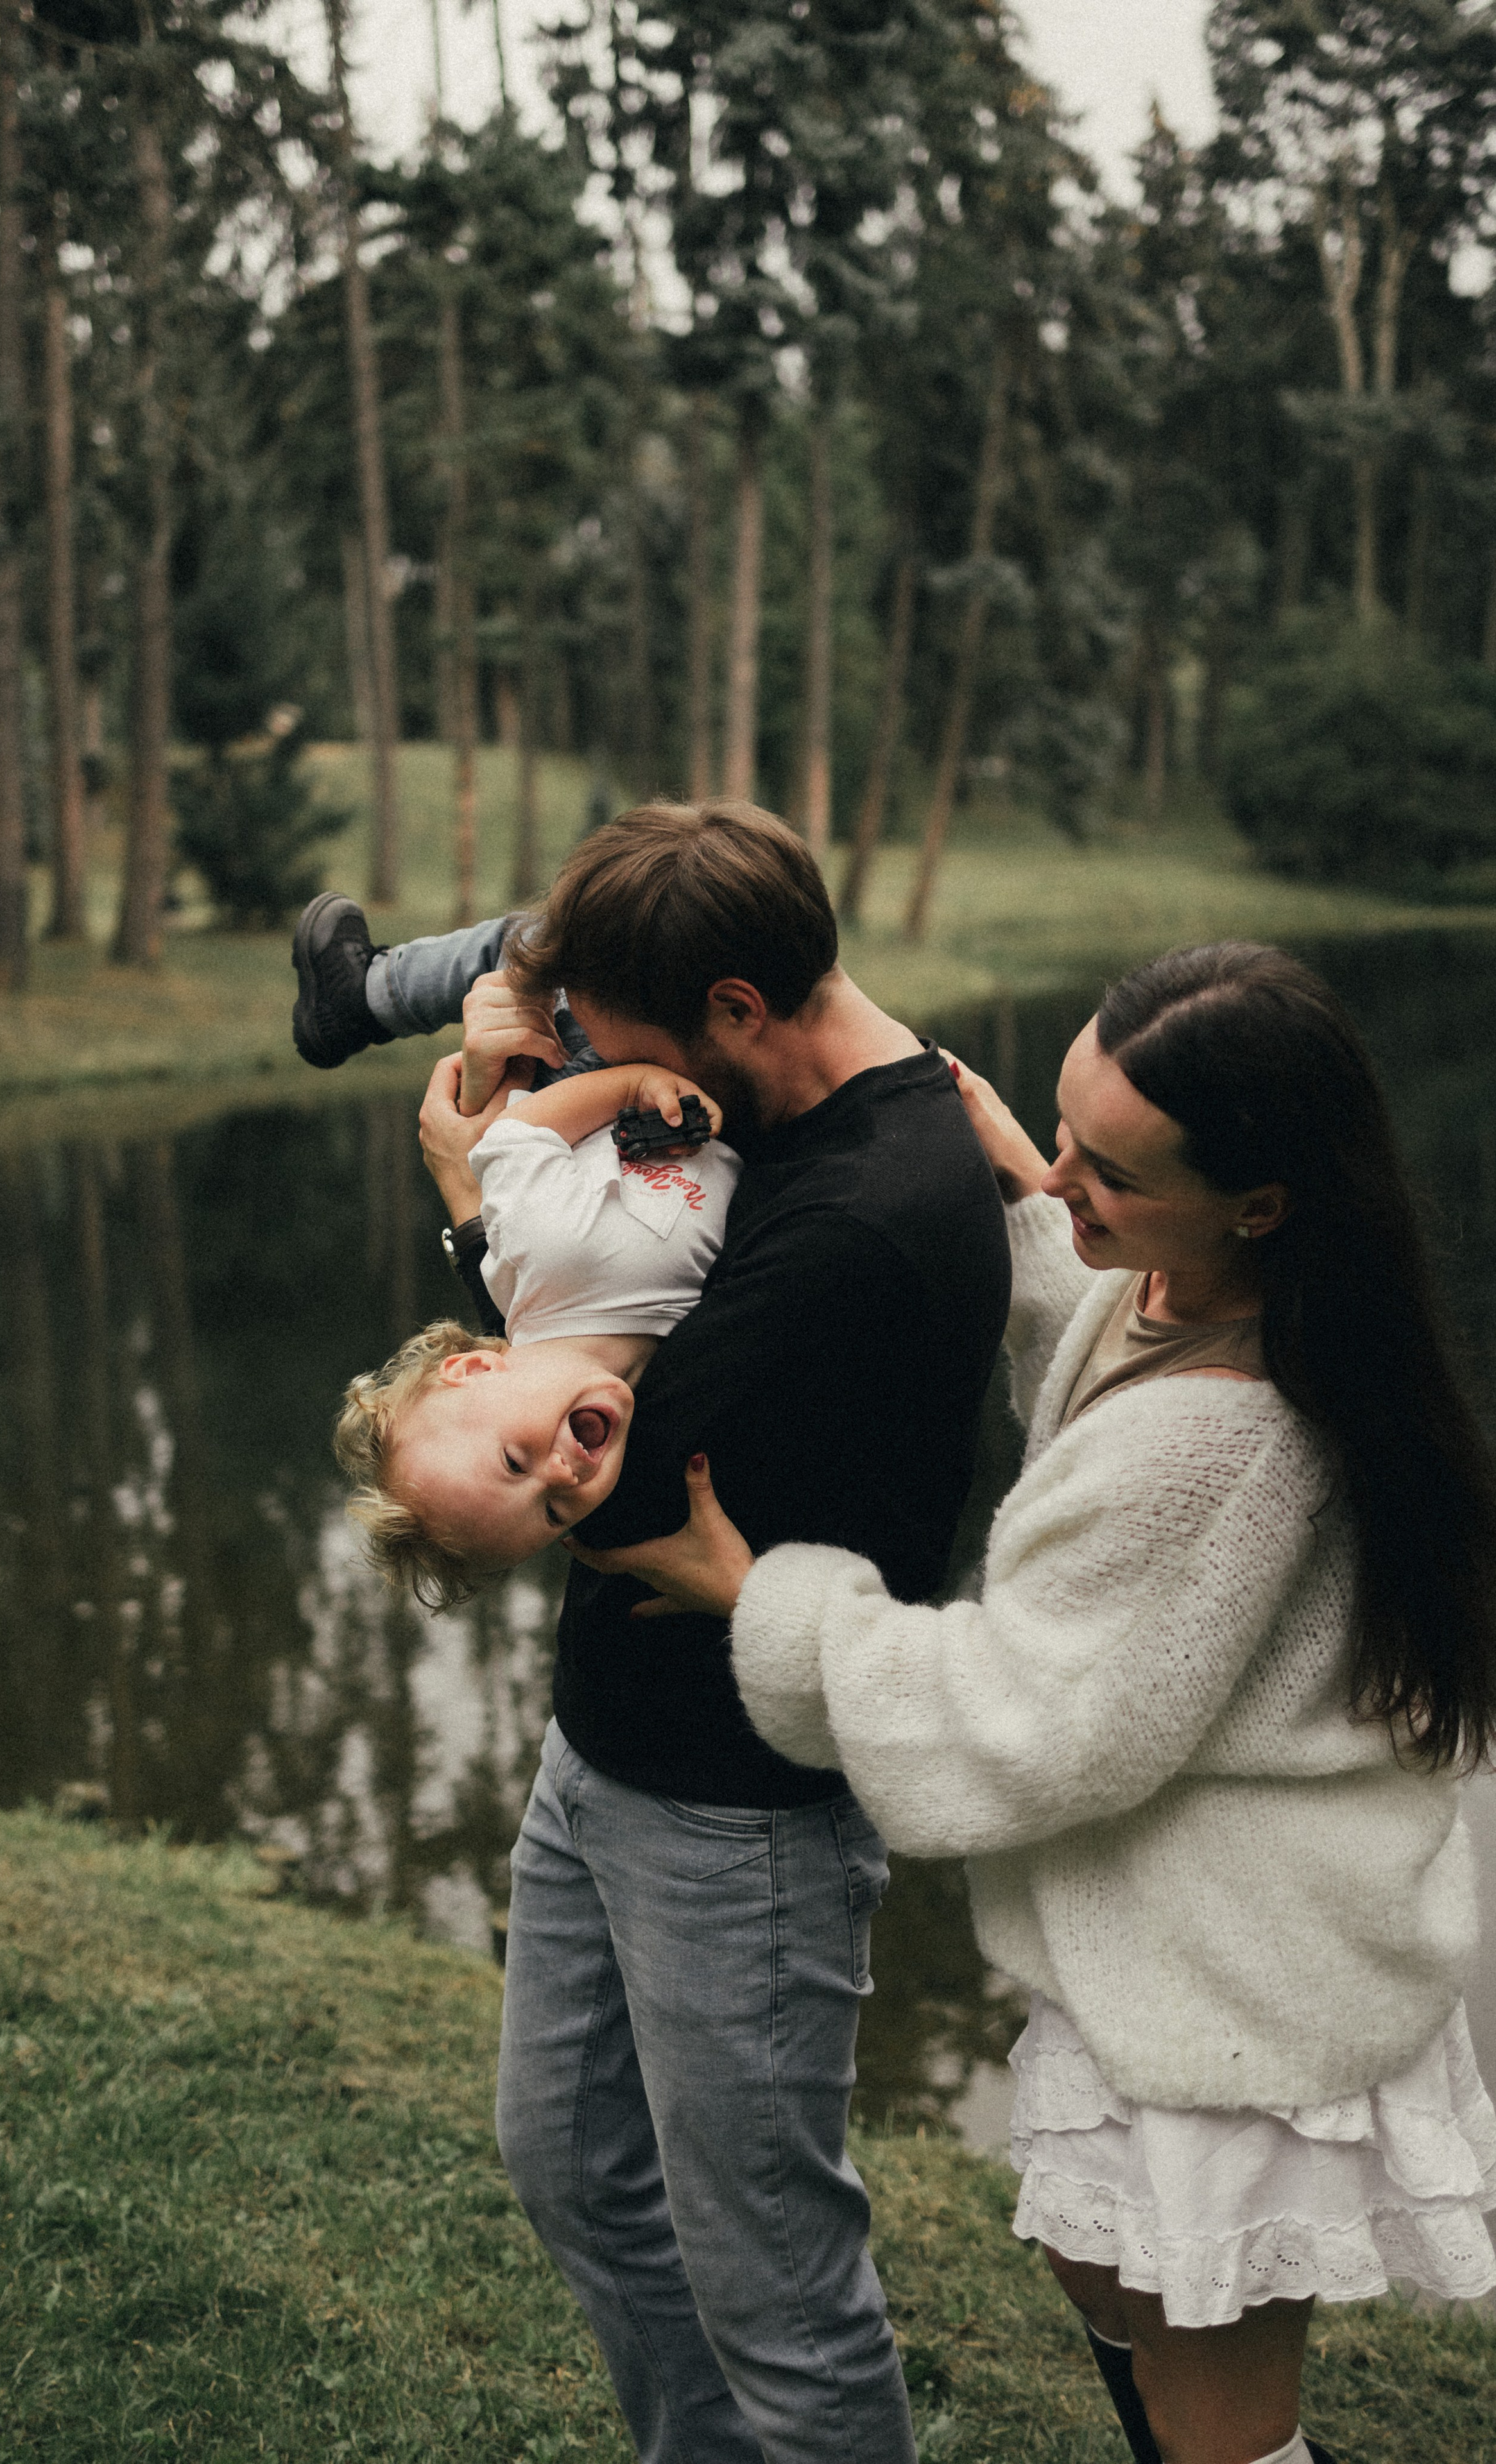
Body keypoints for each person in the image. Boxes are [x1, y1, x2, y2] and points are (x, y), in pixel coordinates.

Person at [574, 941, 1496, 2464]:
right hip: (1179, 1927)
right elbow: (1094, 1335)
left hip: (1238, 1980)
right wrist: (1016, 1181)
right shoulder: (1219, 1288)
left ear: (1257, 1202)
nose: (1069, 1178)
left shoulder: (1219, 1445)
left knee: (1215, 2424)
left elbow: (1027, 1717)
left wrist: (761, 1598)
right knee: (1100, 2269)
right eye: (1062, 1129)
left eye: (1110, 1172)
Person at [289, 802, 1012, 2464]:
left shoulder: (864, 1209)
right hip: (606, 1750)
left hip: (738, 1813)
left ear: (736, 1012)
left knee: (777, 2294)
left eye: (611, 1036)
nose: (583, 1057)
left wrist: (473, 1198)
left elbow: (597, 1472)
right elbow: (591, 1357)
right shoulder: (776, 1091)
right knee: (572, 2170)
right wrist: (545, 1103)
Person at [331, 1058, 737, 1605]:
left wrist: (634, 1084)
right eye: (553, 1514)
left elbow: (515, 1136)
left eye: (514, 1463)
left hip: (612, 1066)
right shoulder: (675, 1388)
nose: (562, 1478)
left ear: (476, 1367)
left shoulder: (546, 1256)